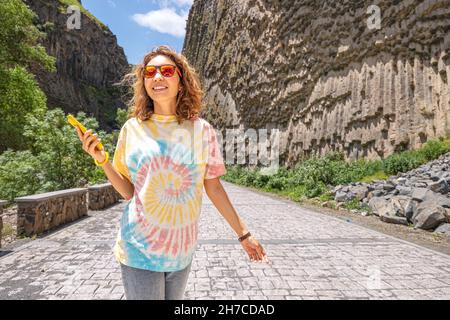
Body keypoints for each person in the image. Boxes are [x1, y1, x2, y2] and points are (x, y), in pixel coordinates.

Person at [75, 45, 269, 300]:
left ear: (181, 79)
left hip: (182, 250)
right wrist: (102, 161)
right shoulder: (132, 129)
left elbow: (214, 187)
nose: (157, 77)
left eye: (166, 70)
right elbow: (128, 192)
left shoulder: (202, 130)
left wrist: (244, 234)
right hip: (139, 248)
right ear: (143, 81)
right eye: (149, 72)